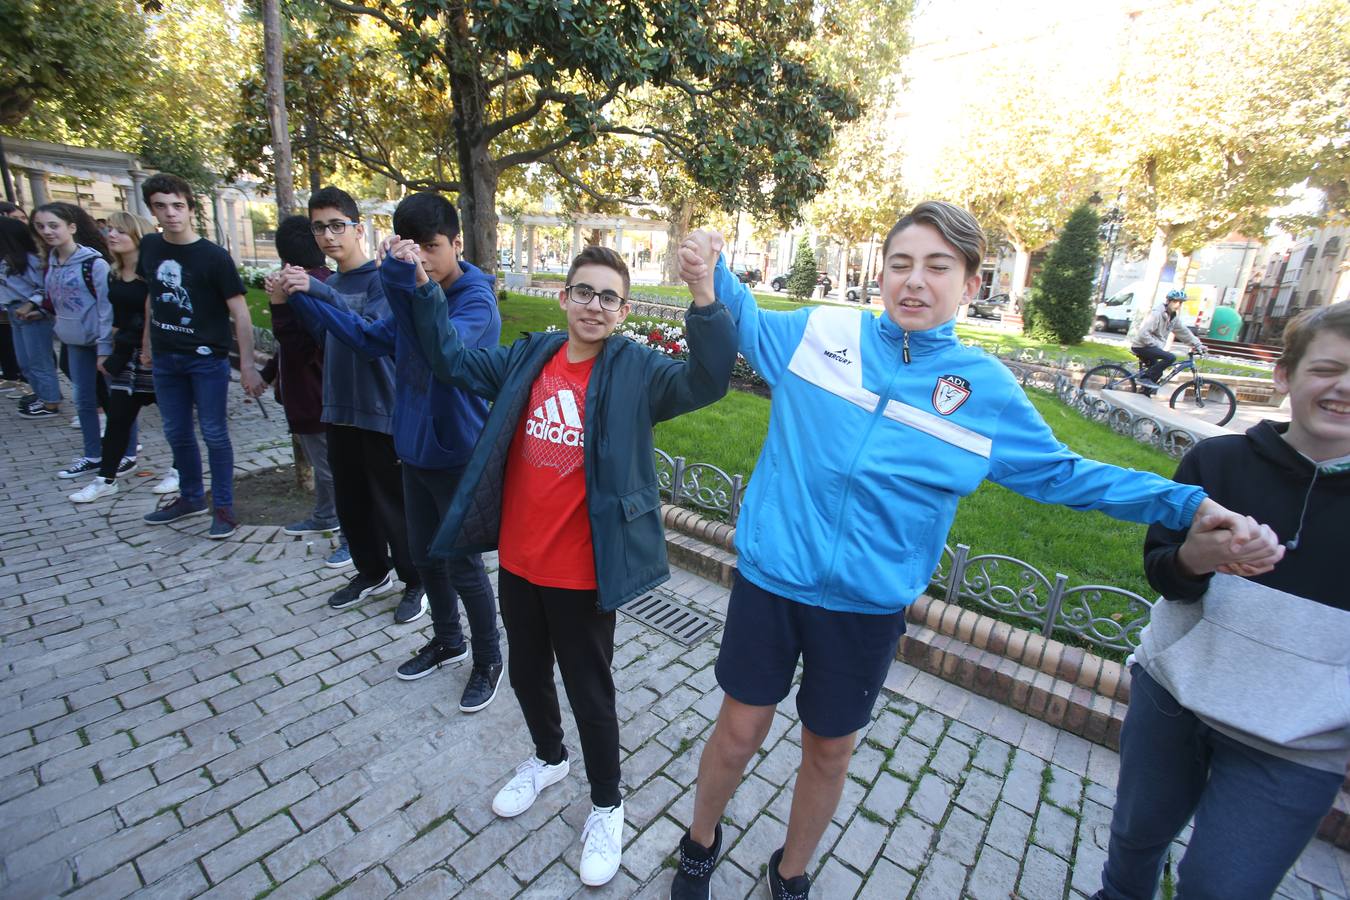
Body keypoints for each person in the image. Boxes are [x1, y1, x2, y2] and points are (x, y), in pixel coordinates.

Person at [666, 202, 1281, 900]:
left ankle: (791, 871)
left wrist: (1185, 502)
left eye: (937, 267)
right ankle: (700, 841)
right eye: (900, 263)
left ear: (971, 281)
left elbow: (1066, 472)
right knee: (740, 727)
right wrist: (707, 257)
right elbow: (738, 310)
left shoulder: (982, 390)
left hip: (866, 607)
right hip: (773, 581)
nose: (914, 282)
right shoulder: (819, 333)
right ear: (882, 271)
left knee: (829, 749)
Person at [394, 240, 735, 887]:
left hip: (583, 574)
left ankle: (608, 804)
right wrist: (423, 291)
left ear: (624, 310)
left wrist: (704, 297)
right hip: (521, 563)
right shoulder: (533, 355)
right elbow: (451, 360)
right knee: (526, 674)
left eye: (609, 296)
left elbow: (706, 380)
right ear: (565, 296)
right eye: (585, 291)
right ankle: (548, 760)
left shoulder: (634, 371)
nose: (594, 305)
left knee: (591, 693)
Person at [1093, 303, 1349, 900]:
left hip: (1299, 743)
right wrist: (1196, 561)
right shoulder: (1217, 463)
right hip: (1175, 700)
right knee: (1134, 835)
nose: (1343, 388)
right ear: (1286, 376)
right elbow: (1162, 570)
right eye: (1327, 369)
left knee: (1222, 885)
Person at [280, 192, 505, 706]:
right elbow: (368, 338)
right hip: (414, 447)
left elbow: (444, 352)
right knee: (425, 557)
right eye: (416, 248)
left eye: (433, 246)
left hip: (458, 454)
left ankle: (488, 658)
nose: (424, 257)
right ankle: (449, 642)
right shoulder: (407, 285)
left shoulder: (476, 300)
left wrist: (413, 286)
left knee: (462, 564)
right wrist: (310, 294)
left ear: (456, 243)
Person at [279, 186, 419, 614]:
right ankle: (372, 572)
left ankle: (417, 582)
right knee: (353, 504)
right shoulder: (331, 282)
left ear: (358, 229)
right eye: (319, 227)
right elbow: (325, 338)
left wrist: (317, 293)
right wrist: (293, 297)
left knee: (395, 507)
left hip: (381, 411)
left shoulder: (384, 279)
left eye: (337, 225)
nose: (328, 236)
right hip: (338, 408)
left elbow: (368, 333)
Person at [137, 172, 264, 539]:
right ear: (152, 211)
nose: (171, 213)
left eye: (178, 205)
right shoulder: (150, 247)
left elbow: (240, 312)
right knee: (176, 431)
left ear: (190, 208)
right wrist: (146, 343)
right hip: (166, 358)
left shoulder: (212, 257)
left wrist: (247, 367)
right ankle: (191, 496)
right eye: (161, 207)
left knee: (214, 433)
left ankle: (223, 507)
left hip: (206, 358)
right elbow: (152, 297)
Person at [260, 216, 341, 549]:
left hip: (314, 396)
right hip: (311, 395)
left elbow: (300, 345)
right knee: (325, 465)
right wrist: (266, 375)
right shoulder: (329, 281)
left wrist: (279, 305)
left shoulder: (303, 288)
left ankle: (346, 529)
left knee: (329, 468)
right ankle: (325, 514)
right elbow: (286, 349)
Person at [69, 212, 158, 502]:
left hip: (153, 355)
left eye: (120, 231)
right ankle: (105, 478)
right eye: (110, 230)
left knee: (173, 418)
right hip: (125, 355)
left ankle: (180, 471)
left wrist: (149, 348)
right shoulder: (113, 273)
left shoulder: (153, 273)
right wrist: (104, 349)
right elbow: (109, 316)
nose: (112, 235)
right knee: (118, 417)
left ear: (137, 236)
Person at [31, 202, 113, 478]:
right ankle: (93, 454)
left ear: (72, 227)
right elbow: (53, 298)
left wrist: (105, 346)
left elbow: (105, 307)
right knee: (84, 399)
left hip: (98, 341)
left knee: (116, 399)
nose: (47, 231)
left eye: (54, 225)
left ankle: (124, 451)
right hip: (72, 340)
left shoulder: (94, 263)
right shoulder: (51, 263)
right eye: (41, 226)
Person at [0, 217, 62, 415]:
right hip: (13, 312)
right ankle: (41, 395)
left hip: (31, 313)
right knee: (25, 361)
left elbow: (47, 287)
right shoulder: (6, 258)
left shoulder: (30, 259)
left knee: (39, 361)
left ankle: (50, 401)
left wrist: (31, 304)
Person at [1128, 288, 1205, 392]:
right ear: (1168, 301)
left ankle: (1144, 393)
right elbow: (1143, 333)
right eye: (1175, 301)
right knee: (1170, 357)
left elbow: (1184, 332)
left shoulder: (1173, 318)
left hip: (1151, 347)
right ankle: (1145, 378)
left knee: (1158, 372)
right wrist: (1155, 345)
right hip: (1142, 346)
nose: (1177, 305)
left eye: (1180, 303)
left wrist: (1198, 344)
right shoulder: (1157, 314)